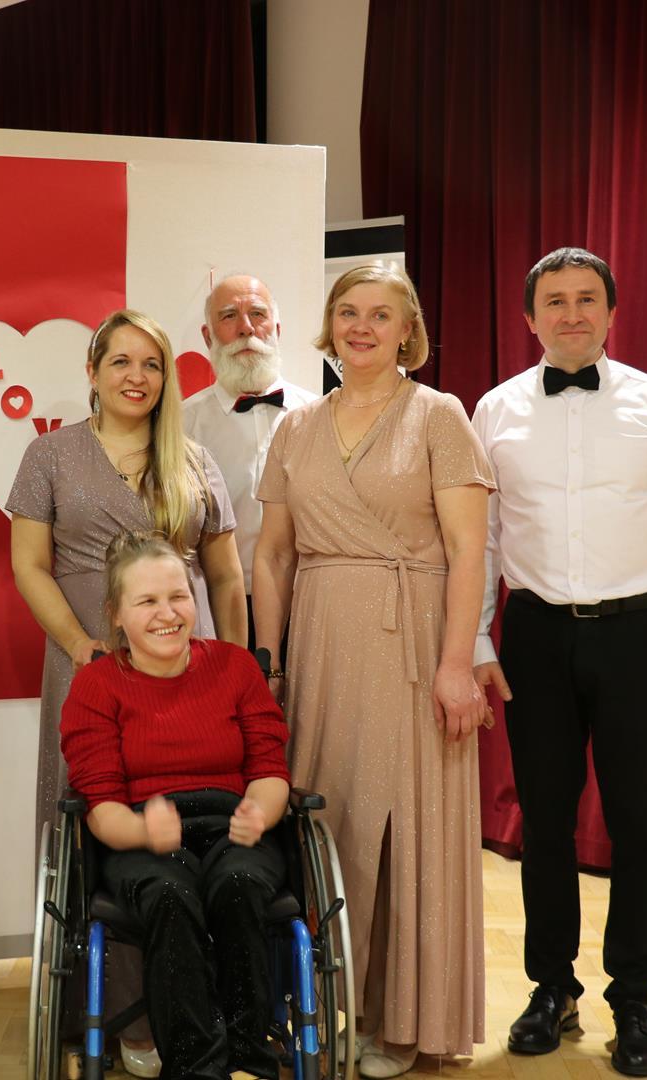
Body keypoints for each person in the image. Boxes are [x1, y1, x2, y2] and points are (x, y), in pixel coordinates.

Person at [471, 247, 647, 1078]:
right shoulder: (494, 411)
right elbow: (482, 541)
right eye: (555, 300)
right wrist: (477, 641)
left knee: (638, 823)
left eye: (587, 299)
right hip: (534, 636)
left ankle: (636, 1000)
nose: (572, 314)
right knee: (543, 822)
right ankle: (552, 988)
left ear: (612, 313)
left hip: (636, 634)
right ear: (529, 317)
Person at [252, 262, 494, 1076]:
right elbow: (271, 555)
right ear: (330, 323)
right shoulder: (295, 427)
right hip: (321, 644)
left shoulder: (439, 415)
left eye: (380, 314)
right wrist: (268, 664)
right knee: (331, 821)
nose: (361, 326)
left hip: (412, 643)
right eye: (348, 311)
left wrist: (457, 665)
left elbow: (468, 551)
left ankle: (401, 1020)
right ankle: (324, 1008)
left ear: (407, 330)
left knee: (406, 824)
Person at [9, 308, 245, 1075]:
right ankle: (118, 1012)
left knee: (193, 817)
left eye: (151, 364)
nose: (137, 377)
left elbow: (226, 575)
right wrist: (82, 646)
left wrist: (236, 668)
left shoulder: (194, 458)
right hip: (86, 660)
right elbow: (29, 566)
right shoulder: (49, 454)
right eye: (121, 361)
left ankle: (206, 1005)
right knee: (99, 814)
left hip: (185, 664)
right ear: (92, 371)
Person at [61, 530, 291, 1080]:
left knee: (238, 884)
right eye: (147, 601)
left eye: (178, 596)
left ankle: (248, 1054)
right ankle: (196, 1067)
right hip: (141, 833)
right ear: (116, 615)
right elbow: (100, 805)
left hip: (233, 823)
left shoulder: (235, 668)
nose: (167, 614)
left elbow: (269, 768)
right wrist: (144, 831)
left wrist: (260, 810)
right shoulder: (97, 686)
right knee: (169, 893)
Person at [182, 275, 317, 650]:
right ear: (208, 337)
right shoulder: (181, 426)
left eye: (257, 314)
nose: (246, 328)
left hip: (308, 607)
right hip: (217, 610)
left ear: (277, 329)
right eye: (229, 316)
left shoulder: (320, 415)